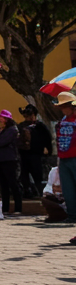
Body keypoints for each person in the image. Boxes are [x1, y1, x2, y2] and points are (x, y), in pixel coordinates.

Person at [18, 104, 52, 199]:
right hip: (24, 154)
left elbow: (47, 138)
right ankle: (27, 192)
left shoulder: (40, 126)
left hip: (36, 154)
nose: (28, 118)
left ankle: (40, 192)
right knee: (24, 175)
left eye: (30, 115)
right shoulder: (21, 126)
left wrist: (47, 149)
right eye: (26, 116)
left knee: (38, 174)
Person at [57, 93, 76, 244]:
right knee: (69, 193)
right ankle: (72, 215)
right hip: (64, 159)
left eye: (64, 106)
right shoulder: (63, 121)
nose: (62, 109)